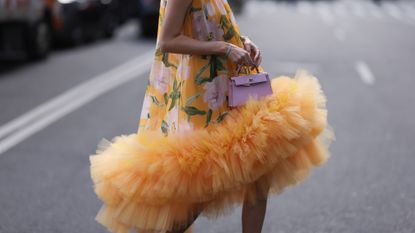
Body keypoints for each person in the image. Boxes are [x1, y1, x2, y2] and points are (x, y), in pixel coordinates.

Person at [89, 0, 334, 232]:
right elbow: (167, 40)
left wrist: (242, 42)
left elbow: (209, 24)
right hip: (205, 92)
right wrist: (225, 48)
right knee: (204, 185)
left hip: (229, 84)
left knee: (260, 174)